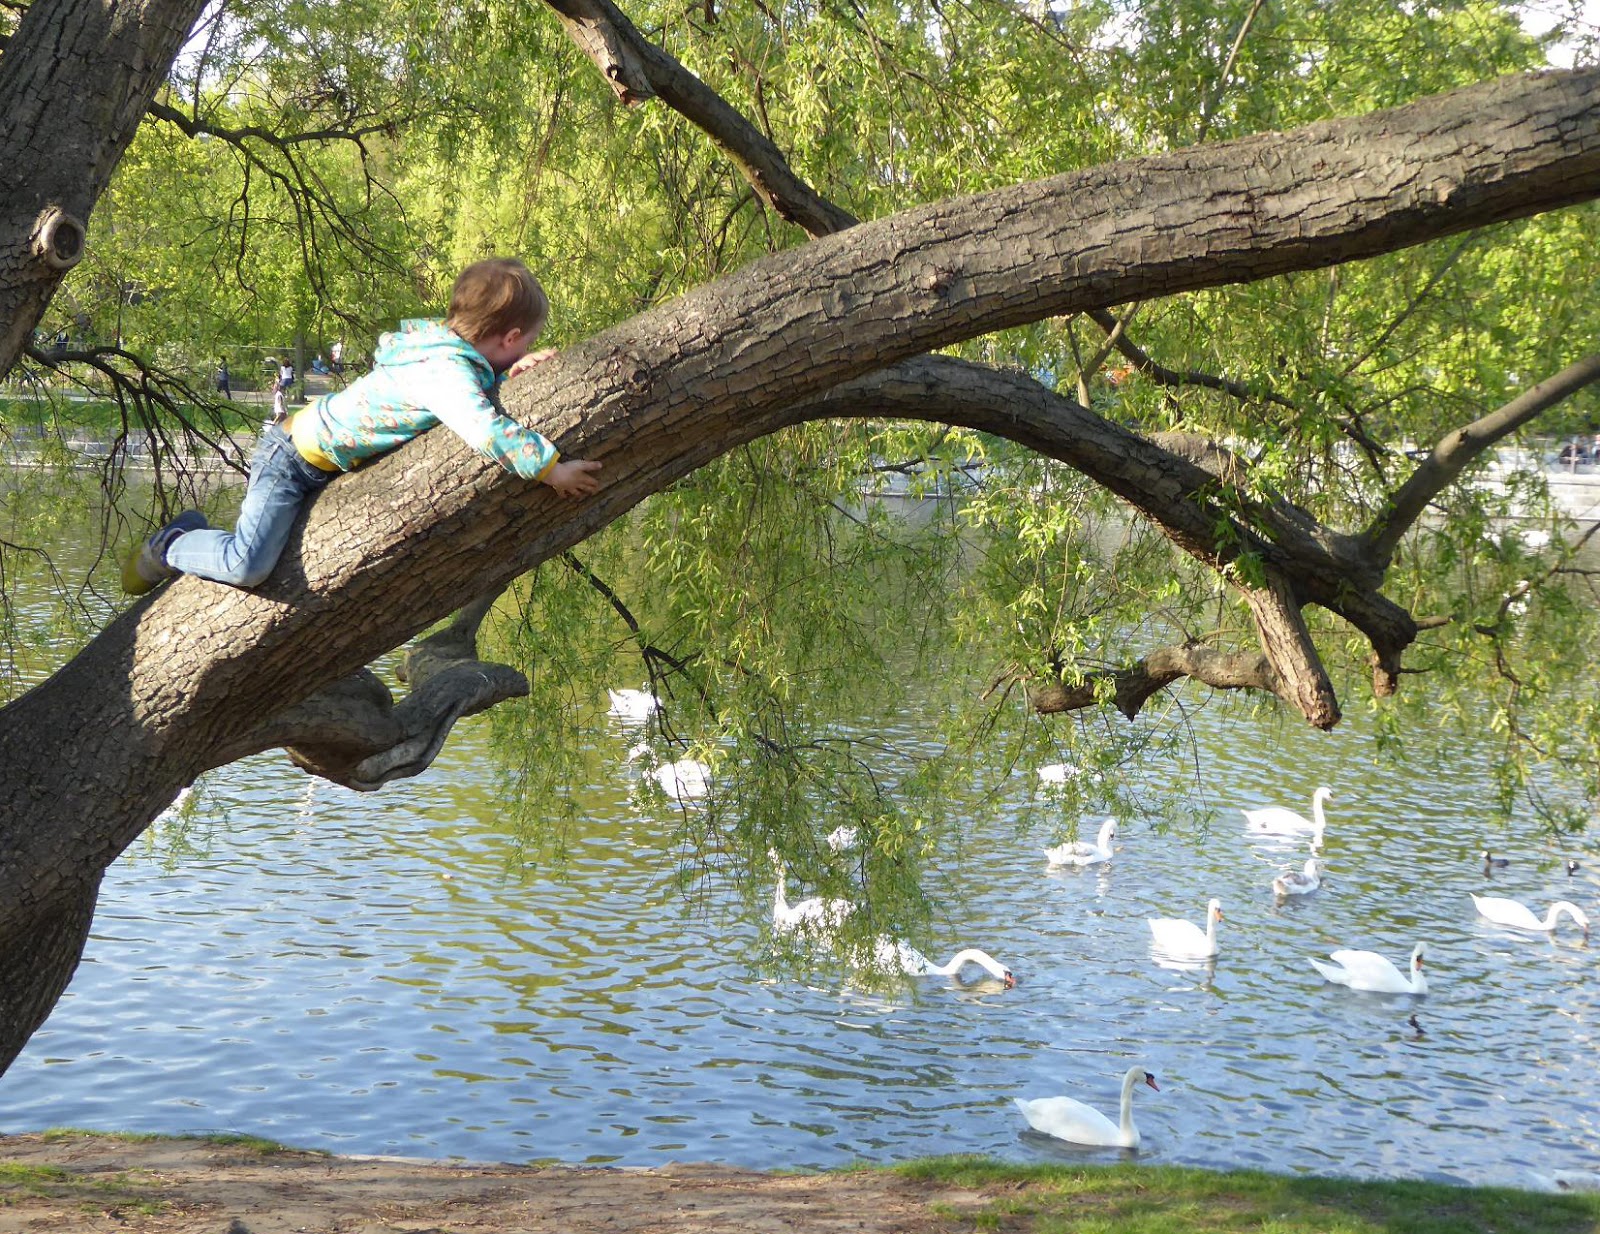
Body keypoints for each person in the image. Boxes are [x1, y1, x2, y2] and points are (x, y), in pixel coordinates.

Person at [121, 257, 604, 594]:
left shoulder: (439, 351)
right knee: (247, 566)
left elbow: (471, 385)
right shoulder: (445, 371)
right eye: (524, 346)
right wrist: (551, 468)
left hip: (315, 461)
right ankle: (174, 545)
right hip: (289, 460)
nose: (523, 352)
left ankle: (183, 540)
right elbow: (483, 428)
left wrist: (510, 372)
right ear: (511, 336)